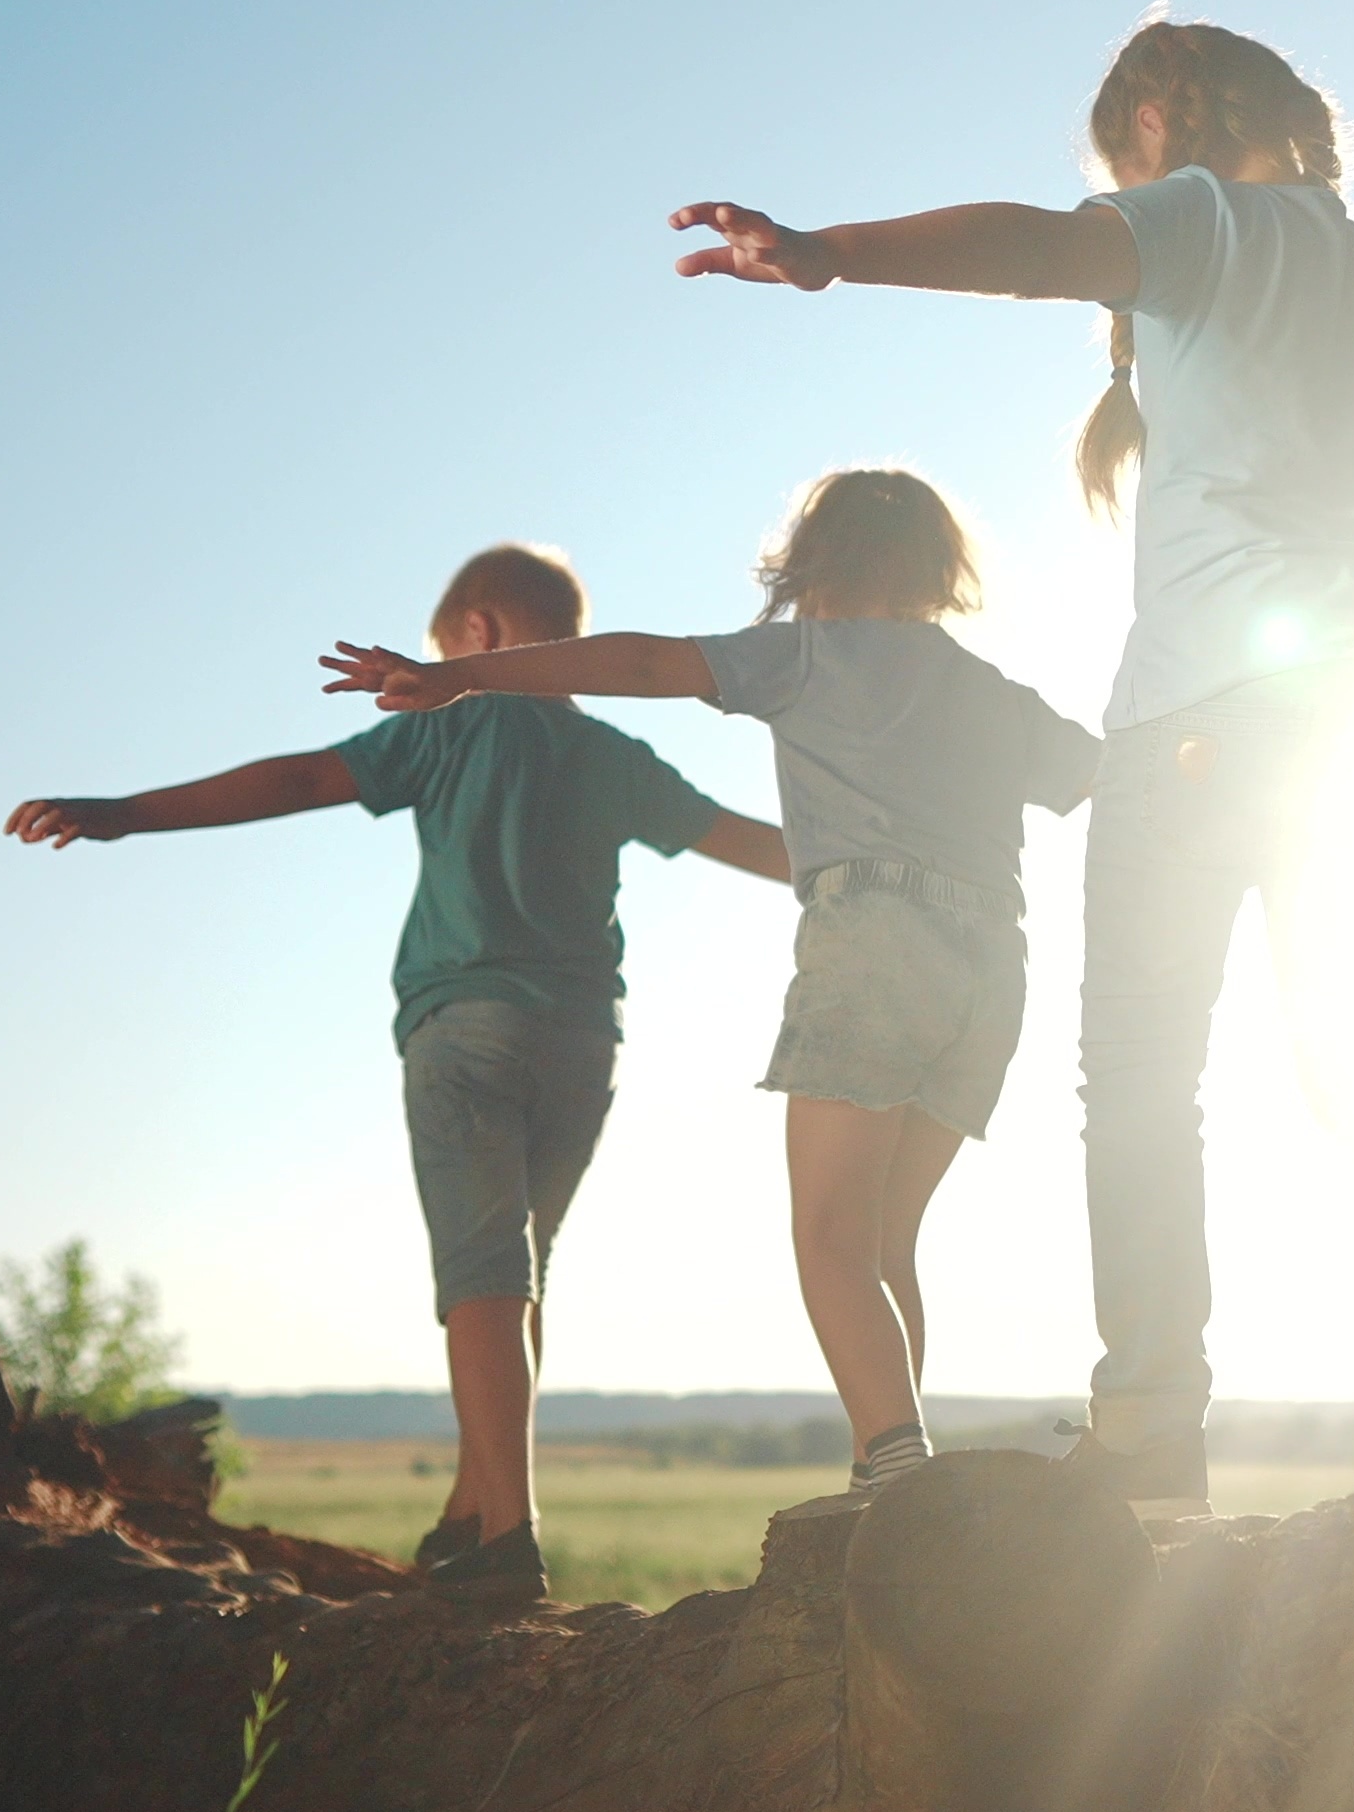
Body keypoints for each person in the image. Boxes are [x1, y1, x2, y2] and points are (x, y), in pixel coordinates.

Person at [667, 18, 1354, 1517]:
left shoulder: (1201, 219)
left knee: (1141, 1081)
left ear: (1158, 124)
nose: (1110, 189)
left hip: (1197, 723)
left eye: (1110, 160)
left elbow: (1029, 250)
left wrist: (827, 252)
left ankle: (1148, 1430)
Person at [5, 543, 789, 1602]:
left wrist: (126, 812)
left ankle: (509, 1540)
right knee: (522, 1272)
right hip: (583, 1041)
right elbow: (752, 844)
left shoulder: (453, 720)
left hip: (467, 1024)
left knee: (482, 1274)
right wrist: (899, 861)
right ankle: (470, 1513)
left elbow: (301, 777)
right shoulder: (610, 752)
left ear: (477, 634)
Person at [319, 470, 1096, 1499]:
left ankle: (900, 1470)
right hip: (994, 965)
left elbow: (643, 659)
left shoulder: (805, 654)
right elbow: (1109, 779)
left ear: (810, 562)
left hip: (872, 944)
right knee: (882, 1239)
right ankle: (890, 1453)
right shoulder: (992, 693)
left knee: (828, 1238)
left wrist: (471, 677)